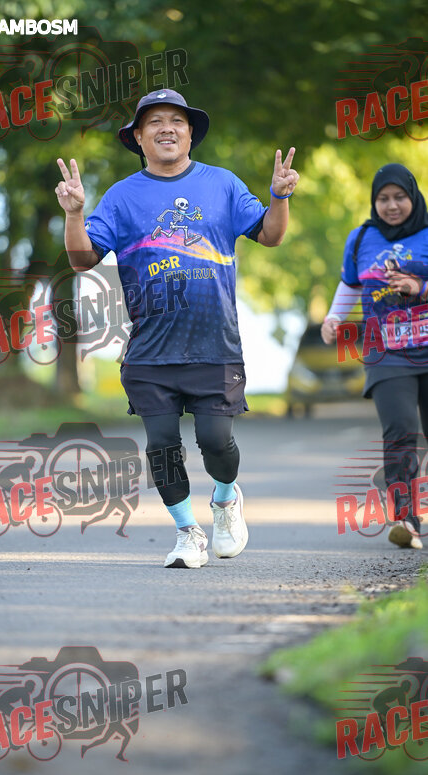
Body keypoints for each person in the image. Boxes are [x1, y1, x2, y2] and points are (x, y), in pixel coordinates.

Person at [55, 88, 299, 568]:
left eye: (177, 121)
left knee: (215, 441)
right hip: (151, 352)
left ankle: (226, 500)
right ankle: (188, 532)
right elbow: (83, 259)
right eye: (155, 122)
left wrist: (280, 197)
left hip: (215, 346)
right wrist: (74, 214)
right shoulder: (121, 197)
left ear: (190, 134)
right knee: (162, 447)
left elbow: (270, 234)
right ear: (138, 138)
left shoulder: (222, 184)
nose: (167, 128)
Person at [322, 163, 428, 550]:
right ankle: (405, 518)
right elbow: (350, 284)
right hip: (385, 351)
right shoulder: (362, 238)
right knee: (400, 431)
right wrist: (334, 318)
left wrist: (420, 286)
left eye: (399, 197)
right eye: (383, 198)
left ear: (413, 197)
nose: (392, 205)